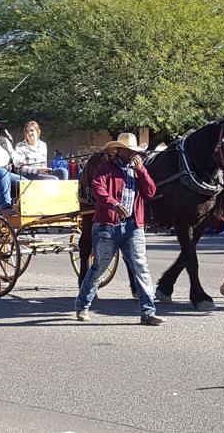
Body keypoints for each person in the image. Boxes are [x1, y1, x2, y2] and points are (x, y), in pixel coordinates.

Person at [74, 132, 164, 326]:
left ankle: (148, 312)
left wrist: (142, 171)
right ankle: (82, 305)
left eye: (135, 151)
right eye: (130, 150)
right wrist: (113, 204)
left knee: (141, 267)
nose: (134, 154)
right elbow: (98, 189)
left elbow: (151, 191)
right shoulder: (104, 169)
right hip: (107, 226)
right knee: (99, 268)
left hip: (133, 226)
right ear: (120, 151)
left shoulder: (139, 169)